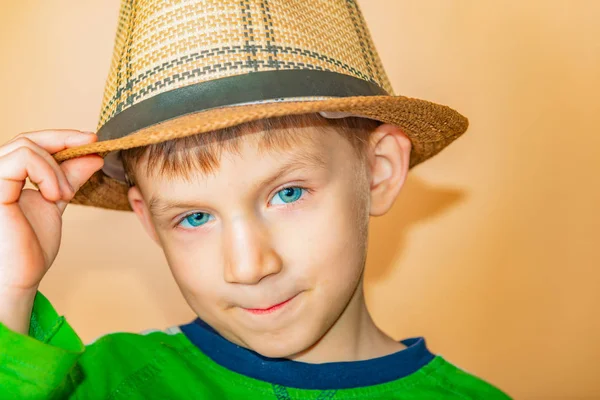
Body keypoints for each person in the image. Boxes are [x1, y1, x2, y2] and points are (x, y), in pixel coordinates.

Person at [0, 0, 511, 398]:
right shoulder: (101, 385)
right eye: (195, 216)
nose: (248, 267)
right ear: (148, 220)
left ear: (378, 171)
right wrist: (8, 290)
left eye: (288, 193)